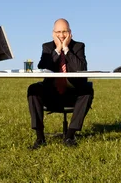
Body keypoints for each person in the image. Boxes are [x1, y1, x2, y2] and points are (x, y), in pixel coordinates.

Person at [27, 18, 94, 149]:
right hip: (51, 94)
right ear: (53, 33)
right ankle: (40, 138)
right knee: (33, 89)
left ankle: (70, 136)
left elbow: (81, 68)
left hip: (72, 94)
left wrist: (66, 49)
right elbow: (44, 66)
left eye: (64, 31)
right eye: (58, 32)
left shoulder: (78, 46)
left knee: (87, 89)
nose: (62, 35)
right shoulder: (47, 47)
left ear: (70, 32)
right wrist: (57, 49)